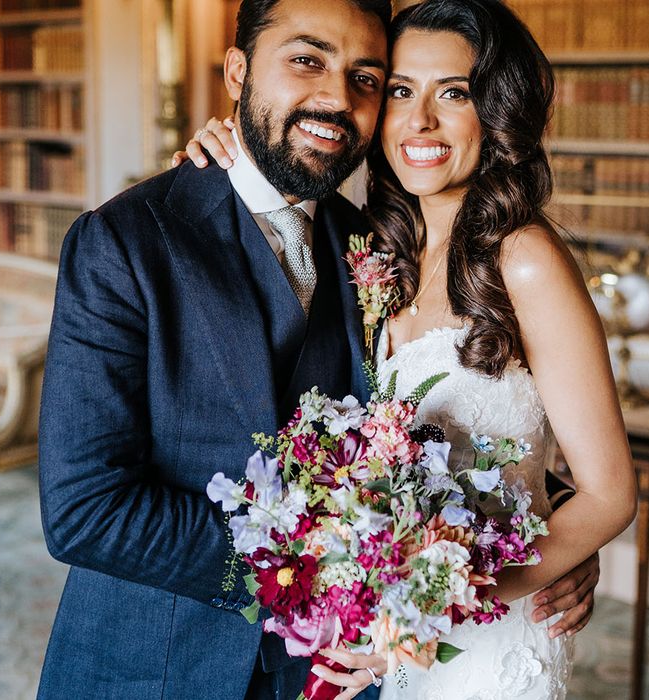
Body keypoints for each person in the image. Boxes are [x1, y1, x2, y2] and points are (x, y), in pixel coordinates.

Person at [178, 1, 637, 698]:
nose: (420, 120)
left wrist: (422, 614)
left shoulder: (527, 259)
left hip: (482, 644)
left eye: (454, 93)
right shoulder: (380, 252)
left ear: (496, 110)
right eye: (399, 91)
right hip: (394, 653)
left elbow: (609, 492)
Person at [37, 1, 391, 698]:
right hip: (151, 669)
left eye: (367, 78)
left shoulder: (379, 245)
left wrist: (561, 547)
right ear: (238, 71)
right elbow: (83, 508)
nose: (336, 97)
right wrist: (298, 569)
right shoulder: (124, 241)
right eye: (306, 59)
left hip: (331, 679)